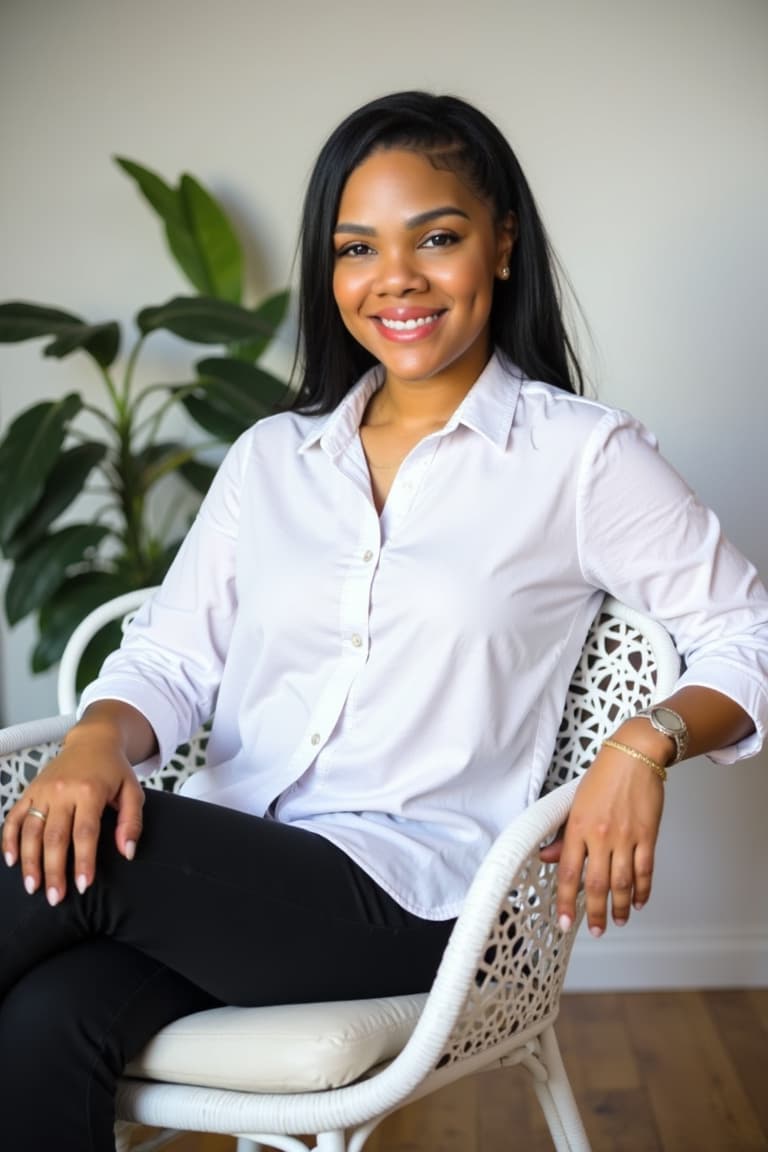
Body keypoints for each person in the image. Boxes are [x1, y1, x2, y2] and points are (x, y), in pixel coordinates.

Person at [1, 91, 766, 1151]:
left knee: (89, 858)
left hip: (415, 906)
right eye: (357, 247)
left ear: (501, 245)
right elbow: (174, 656)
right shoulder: (275, 457)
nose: (394, 278)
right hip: (237, 881)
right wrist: (96, 737)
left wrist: (646, 743)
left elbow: (749, 631)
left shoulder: (578, 457)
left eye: (436, 238)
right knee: (48, 1022)